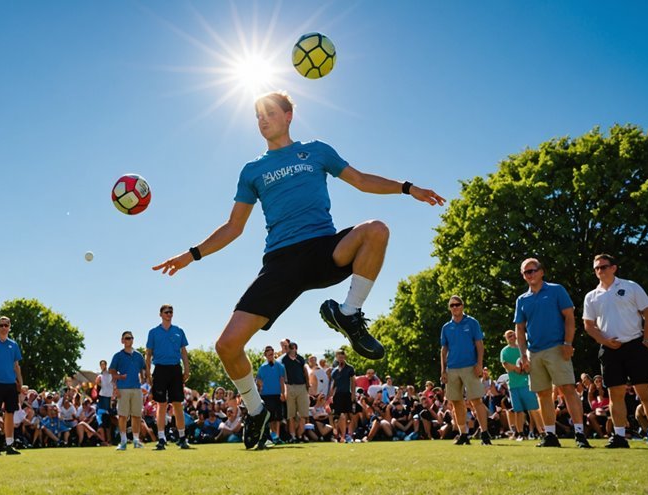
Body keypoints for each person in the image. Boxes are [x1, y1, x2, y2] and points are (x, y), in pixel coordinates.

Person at [151, 91, 445, 451]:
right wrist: (190, 255)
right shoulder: (252, 170)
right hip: (281, 262)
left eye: (270, 113)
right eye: (257, 115)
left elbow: (362, 180)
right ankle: (256, 412)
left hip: (323, 250)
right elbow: (233, 226)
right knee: (227, 346)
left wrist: (408, 188)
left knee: (376, 230)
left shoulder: (317, 151)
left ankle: (349, 314)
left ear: (289, 116)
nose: (262, 120)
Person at [583, 254, 648, 449]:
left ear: (614, 268)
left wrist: (647, 342)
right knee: (615, 395)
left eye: (604, 267)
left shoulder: (631, 286)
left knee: (646, 393)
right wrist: (605, 341)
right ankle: (619, 437)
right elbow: (589, 325)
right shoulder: (591, 296)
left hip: (635, 345)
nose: (600, 271)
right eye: (597, 268)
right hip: (609, 350)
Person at [513, 258, 591, 448]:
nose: (529, 275)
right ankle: (550, 435)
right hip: (534, 352)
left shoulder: (556, 290)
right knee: (543, 394)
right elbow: (520, 329)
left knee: (568, 390)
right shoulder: (522, 300)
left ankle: (580, 434)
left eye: (532, 270)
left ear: (541, 271)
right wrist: (523, 354)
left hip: (557, 347)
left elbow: (569, 317)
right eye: (526, 272)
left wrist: (568, 342)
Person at [440, 296, 491, 445]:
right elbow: (443, 350)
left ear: (462, 306)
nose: (455, 307)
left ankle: (485, 434)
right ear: (449, 308)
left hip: (470, 366)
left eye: (457, 304)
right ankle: (463, 434)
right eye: (452, 305)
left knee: (477, 401)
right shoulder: (446, 327)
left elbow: (479, 345)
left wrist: (479, 364)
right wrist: (443, 370)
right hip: (452, 368)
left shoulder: (472, 322)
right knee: (456, 402)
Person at [145, 304, 191, 450]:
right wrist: (147, 373)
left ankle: (182, 437)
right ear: (160, 314)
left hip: (175, 369)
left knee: (177, 403)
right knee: (161, 404)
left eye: (171, 312)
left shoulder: (179, 331)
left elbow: (183, 352)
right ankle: (161, 439)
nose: (169, 314)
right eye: (166, 312)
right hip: (159, 369)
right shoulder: (153, 332)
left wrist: (187, 369)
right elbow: (148, 354)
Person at [0, 316, 24, 455]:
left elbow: (16, 366)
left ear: (9, 327)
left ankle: (9, 445)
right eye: (1, 325)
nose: (3, 328)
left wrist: (21, 383)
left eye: (6, 325)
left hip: (10, 384)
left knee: (10, 414)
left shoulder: (13, 345)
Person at [499, 330, 544, 440]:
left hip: (526, 383)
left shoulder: (523, 349)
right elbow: (505, 364)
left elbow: (529, 362)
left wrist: (525, 368)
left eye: (513, 334)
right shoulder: (504, 351)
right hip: (513, 385)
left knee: (533, 408)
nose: (512, 337)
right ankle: (519, 433)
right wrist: (516, 368)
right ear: (506, 338)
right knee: (518, 410)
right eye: (509, 336)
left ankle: (542, 431)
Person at [109, 331, 146, 450]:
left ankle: (136, 440)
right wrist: (116, 384)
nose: (129, 340)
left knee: (136, 416)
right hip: (123, 389)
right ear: (122, 341)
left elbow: (143, 369)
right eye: (127, 338)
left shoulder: (138, 355)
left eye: (131, 338)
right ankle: (123, 441)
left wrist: (144, 378)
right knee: (122, 416)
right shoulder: (118, 356)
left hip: (136, 389)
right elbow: (112, 372)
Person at [255, 345, 286, 448]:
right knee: (270, 418)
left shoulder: (280, 366)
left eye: (272, 353)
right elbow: (258, 380)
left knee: (277, 418)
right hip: (266, 395)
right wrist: (259, 389)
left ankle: (276, 436)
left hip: (277, 394)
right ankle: (272, 437)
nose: (270, 355)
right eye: (268, 354)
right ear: (265, 355)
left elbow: (282, 381)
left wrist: (283, 393)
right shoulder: (262, 368)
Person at [281, 341, 309, 443]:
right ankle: (293, 436)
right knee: (291, 414)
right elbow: (282, 376)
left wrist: (307, 385)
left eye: (294, 348)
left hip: (302, 387)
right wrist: (284, 389)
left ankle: (300, 435)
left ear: (296, 349)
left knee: (303, 414)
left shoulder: (301, 359)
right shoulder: (283, 360)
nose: (292, 350)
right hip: (289, 387)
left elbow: (305, 372)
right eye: (290, 348)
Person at [329, 350, 357, 443]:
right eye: (339, 357)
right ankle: (343, 436)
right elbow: (333, 384)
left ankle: (348, 434)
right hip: (338, 395)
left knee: (350, 415)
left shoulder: (350, 368)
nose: (341, 359)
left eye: (342, 357)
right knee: (340, 416)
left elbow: (353, 381)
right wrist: (331, 396)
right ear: (336, 357)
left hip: (347, 394)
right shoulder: (334, 370)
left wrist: (353, 394)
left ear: (345, 357)